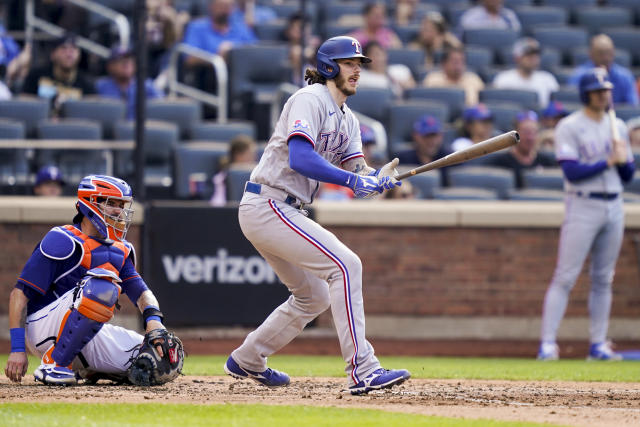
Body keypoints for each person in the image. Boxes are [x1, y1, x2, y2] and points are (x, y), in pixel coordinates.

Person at [223, 36, 410, 395]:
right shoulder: (309, 99)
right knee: (346, 265)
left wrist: (376, 178)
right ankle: (363, 370)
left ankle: (248, 357)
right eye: (349, 62)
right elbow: (301, 159)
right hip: (269, 203)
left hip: (284, 209)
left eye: (359, 63)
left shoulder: (349, 119)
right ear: (328, 67)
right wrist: (356, 180)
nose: (357, 69)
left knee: (315, 297)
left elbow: (357, 167)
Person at [4, 175, 173, 385]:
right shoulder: (62, 239)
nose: (118, 211)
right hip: (43, 330)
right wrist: (18, 349)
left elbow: (141, 293)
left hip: (85, 334)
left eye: (121, 205)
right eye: (111, 203)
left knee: (163, 359)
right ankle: (54, 364)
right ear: (88, 203)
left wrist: (154, 321)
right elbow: (18, 295)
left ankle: (92, 370)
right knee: (102, 287)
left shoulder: (120, 249)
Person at [537, 68, 635, 361]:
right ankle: (547, 344)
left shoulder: (616, 125)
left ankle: (598, 345)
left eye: (605, 91)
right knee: (566, 275)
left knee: (605, 278)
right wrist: (608, 160)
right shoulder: (570, 126)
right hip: (582, 204)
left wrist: (622, 158)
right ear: (586, 94)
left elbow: (628, 174)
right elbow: (572, 171)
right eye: (597, 91)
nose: (603, 96)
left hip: (614, 204)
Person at [21, 33, 95, 117]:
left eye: (74, 49)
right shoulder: (36, 75)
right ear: (53, 54)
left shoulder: (86, 82)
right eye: (64, 48)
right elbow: (23, 104)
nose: (69, 54)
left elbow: (92, 110)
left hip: (72, 126)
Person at [485, 111, 556, 188]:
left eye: (534, 132)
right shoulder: (499, 163)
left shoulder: (547, 163)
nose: (530, 138)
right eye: (525, 132)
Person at [95, 46, 164, 120]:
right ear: (110, 66)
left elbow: (162, 109)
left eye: (130, 59)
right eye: (120, 59)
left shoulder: (147, 86)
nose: (126, 63)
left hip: (140, 130)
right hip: (110, 130)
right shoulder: (100, 86)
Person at [568, 34, 638, 106]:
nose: (605, 57)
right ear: (591, 54)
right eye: (600, 53)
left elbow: (632, 106)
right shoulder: (579, 75)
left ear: (613, 53)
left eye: (608, 52)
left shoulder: (625, 76)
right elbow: (575, 104)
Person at [181, 0, 256, 64]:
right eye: (220, 6)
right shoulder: (197, 27)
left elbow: (255, 51)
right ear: (211, 6)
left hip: (239, 73)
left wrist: (233, 51)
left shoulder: (241, 28)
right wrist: (217, 57)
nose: (224, 10)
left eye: (228, 6)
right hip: (208, 74)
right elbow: (189, 58)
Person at [492, 38, 559, 108]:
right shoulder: (503, 79)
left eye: (536, 55)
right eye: (529, 55)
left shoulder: (548, 79)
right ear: (517, 57)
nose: (534, 58)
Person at [397, 114, 451, 184]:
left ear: (441, 136)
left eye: (435, 136)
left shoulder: (450, 159)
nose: (432, 141)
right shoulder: (403, 159)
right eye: (427, 136)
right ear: (415, 136)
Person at [210, 134, 258, 206]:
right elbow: (217, 203)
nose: (254, 158)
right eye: (250, 154)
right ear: (238, 155)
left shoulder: (257, 175)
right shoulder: (222, 177)